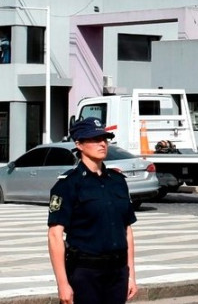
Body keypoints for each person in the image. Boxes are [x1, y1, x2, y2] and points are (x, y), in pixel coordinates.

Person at [48, 117, 138, 304]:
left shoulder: (117, 181)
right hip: (85, 273)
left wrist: (131, 274)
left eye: (104, 139)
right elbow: (55, 236)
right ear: (79, 144)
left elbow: (127, 230)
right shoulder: (68, 184)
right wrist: (62, 284)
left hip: (117, 272)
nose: (102, 144)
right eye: (95, 139)